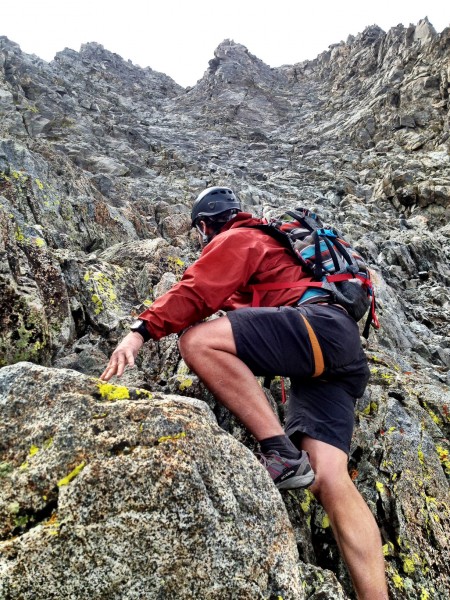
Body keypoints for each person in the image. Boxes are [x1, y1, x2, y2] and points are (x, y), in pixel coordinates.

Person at [100, 186, 388, 599]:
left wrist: (139, 333)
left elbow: (197, 292)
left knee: (197, 341)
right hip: (339, 352)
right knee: (330, 478)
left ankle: (281, 452)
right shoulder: (280, 251)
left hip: (317, 328)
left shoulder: (241, 236)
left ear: (205, 226)